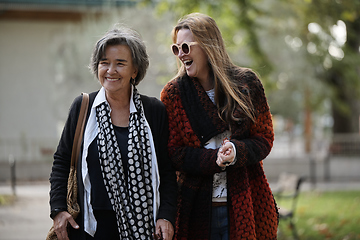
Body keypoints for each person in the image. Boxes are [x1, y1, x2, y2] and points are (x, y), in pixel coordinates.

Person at [49, 26, 177, 240]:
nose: (110, 70)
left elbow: (166, 170)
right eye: (104, 63)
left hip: (144, 227)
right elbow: (62, 161)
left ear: (135, 70)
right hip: (89, 228)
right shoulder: (83, 107)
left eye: (120, 63)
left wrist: (166, 215)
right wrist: (58, 209)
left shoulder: (153, 111)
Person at [160, 13, 278, 240]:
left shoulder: (246, 83)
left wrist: (236, 152)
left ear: (208, 45)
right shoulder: (174, 94)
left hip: (243, 201)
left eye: (186, 46)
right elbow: (174, 153)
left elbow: (264, 137)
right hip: (194, 208)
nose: (181, 54)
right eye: (176, 49)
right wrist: (213, 159)